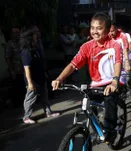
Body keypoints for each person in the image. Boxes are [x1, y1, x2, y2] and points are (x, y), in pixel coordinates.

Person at [52, 13, 123, 143]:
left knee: (110, 100)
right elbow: (73, 64)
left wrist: (115, 81)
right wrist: (59, 78)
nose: (95, 31)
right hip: (95, 84)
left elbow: (118, 62)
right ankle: (97, 130)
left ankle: (110, 130)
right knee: (88, 104)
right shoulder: (86, 47)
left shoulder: (114, 45)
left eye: (99, 28)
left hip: (112, 81)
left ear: (107, 30)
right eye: (92, 28)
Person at [21, 26, 60, 124]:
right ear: (30, 37)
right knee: (30, 98)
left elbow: (40, 63)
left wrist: (44, 74)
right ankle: (26, 117)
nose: (36, 36)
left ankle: (48, 112)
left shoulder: (35, 49)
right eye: (34, 35)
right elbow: (27, 68)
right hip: (33, 80)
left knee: (44, 96)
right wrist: (30, 82)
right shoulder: (26, 51)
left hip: (41, 77)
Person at [109, 23, 131, 97]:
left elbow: (125, 49)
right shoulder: (107, 36)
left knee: (128, 79)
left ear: (116, 29)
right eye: (109, 31)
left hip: (125, 58)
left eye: (112, 31)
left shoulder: (122, 35)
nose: (111, 33)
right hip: (114, 60)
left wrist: (127, 62)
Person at [4, 26, 26, 108]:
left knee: (24, 86)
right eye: (15, 32)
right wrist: (11, 70)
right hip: (16, 70)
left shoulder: (21, 43)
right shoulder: (9, 44)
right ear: (11, 34)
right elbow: (7, 58)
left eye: (18, 32)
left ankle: (25, 102)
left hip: (24, 69)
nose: (17, 34)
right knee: (17, 87)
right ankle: (17, 104)